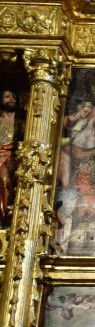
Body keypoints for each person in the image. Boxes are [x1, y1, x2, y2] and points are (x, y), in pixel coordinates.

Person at [0, 89, 23, 225]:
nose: (11, 99)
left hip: (13, 159)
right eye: (7, 97)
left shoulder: (22, 124)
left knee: (4, 175)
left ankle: (5, 216)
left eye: (13, 97)